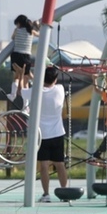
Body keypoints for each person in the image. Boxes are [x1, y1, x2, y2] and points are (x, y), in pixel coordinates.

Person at [19, 66, 68, 202]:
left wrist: (23, 76)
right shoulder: (60, 89)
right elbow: (44, 86)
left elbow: (22, 92)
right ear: (55, 79)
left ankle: (46, 194)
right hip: (58, 133)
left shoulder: (36, 91)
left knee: (44, 165)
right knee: (60, 164)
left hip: (41, 134)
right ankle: (64, 193)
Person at [10, 14, 38, 88]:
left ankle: (13, 93)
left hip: (16, 54)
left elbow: (12, 37)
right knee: (28, 74)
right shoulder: (31, 31)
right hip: (26, 56)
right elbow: (40, 35)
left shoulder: (17, 30)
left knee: (16, 76)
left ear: (19, 23)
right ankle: (39, 85)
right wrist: (37, 26)